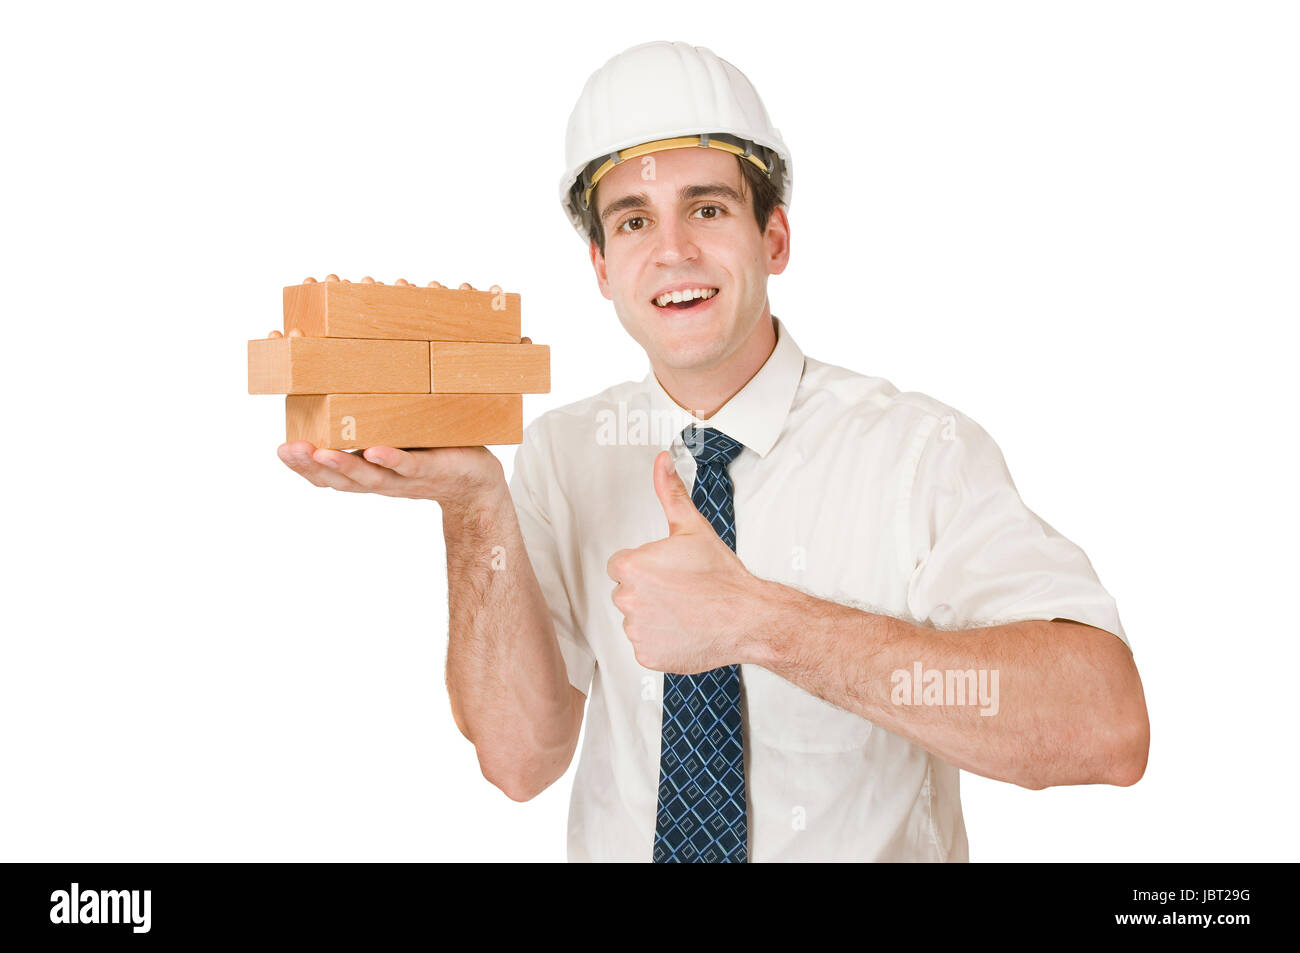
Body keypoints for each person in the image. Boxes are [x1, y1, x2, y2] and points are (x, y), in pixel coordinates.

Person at [277, 40, 1149, 863]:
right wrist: (472, 508)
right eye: (632, 220)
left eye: (707, 207)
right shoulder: (562, 455)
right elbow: (519, 760)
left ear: (773, 237)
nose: (673, 252)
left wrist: (761, 621)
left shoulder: (916, 453)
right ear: (600, 265)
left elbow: (1106, 725)